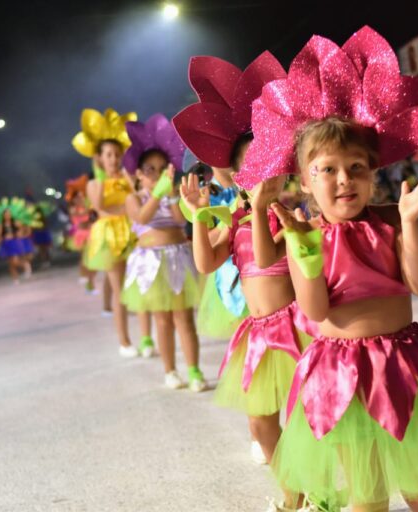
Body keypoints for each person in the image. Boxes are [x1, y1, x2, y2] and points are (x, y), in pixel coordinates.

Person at [235, 27, 418, 512]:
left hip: (402, 362)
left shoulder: (392, 220)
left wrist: (411, 224)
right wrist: (301, 251)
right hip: (340, 371)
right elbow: (312, 308)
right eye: (326, 169)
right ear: (305, 181)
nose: (343, 179)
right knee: (366, 495)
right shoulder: (308, 237)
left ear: (374, 173)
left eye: (356, 167)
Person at [175, 52, 308, 463]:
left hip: (293, 328)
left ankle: (309, 492)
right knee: (259, 423)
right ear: (235, 175)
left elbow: (268, 260)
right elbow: (206, 263)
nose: (259, 174)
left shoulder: (291, 215)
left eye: (266, 163)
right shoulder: (233, 220)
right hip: (257, 331)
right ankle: (292, 485)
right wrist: (199, 216)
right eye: (249, 167)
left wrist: (260, 208)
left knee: (303, 414)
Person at [120, 114, 206, 391]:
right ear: (139, 173)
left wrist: (168, 195)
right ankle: (170, 370)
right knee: (162, 319)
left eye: (161, 168)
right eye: (150, 169)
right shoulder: (133, 199)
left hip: (177, 258)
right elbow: (142, 218)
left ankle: (194, 371)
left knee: (184, 318)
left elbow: (181, 221)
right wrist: (156, 193)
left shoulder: (173, 195)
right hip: (150, 263)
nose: (157, 173)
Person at [86, 139, 138, 356]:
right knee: (120, 290)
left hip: (133, 232)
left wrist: (127, 174)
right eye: (108, 154)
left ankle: (145, 337)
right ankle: (124, 341)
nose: (114, 159)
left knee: (140, 283)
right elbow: (99, 207)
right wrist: (100, 177)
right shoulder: (94, 184)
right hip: (109, 236)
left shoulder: (128, 177)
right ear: (99, 157)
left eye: (117, 154)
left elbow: (138, 195)